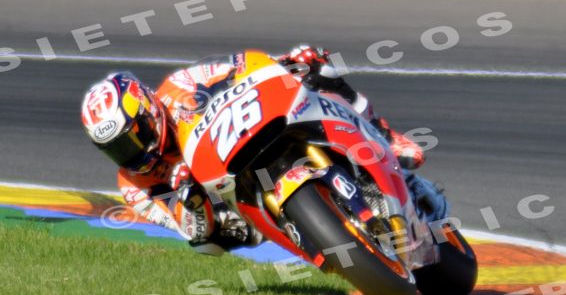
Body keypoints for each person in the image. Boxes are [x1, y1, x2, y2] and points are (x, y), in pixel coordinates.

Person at [81, 45, 444, 255]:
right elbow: (187, 230)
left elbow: (239, 68)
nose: (133, 151)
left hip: (249, 130)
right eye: (117, 149)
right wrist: (191, 202)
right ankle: (326, 241)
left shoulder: (179, 86)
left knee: (317, 68)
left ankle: (384, 135)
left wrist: (287, 63)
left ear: (148, 109)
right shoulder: (133, 185)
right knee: (209, 243)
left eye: (133, 136)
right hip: (228, 207)